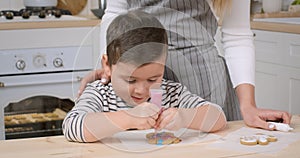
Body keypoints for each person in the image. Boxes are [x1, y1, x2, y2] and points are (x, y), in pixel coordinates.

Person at [78, 0, 291, 130]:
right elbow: (114, 12)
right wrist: (113, 66)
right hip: (134, 64)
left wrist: (248, 105)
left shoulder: (182, 94)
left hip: (204, 79)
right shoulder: (127, 86)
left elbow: (237, 35)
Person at [63, 10, 227, 143]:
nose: (141, 90)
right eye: (131, 80)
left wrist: (185, 117)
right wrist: (128, 118)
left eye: (153, 79)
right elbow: (71, 126)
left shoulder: (171, 93)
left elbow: (218, 118)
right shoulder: (100, 94)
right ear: (107, 66)